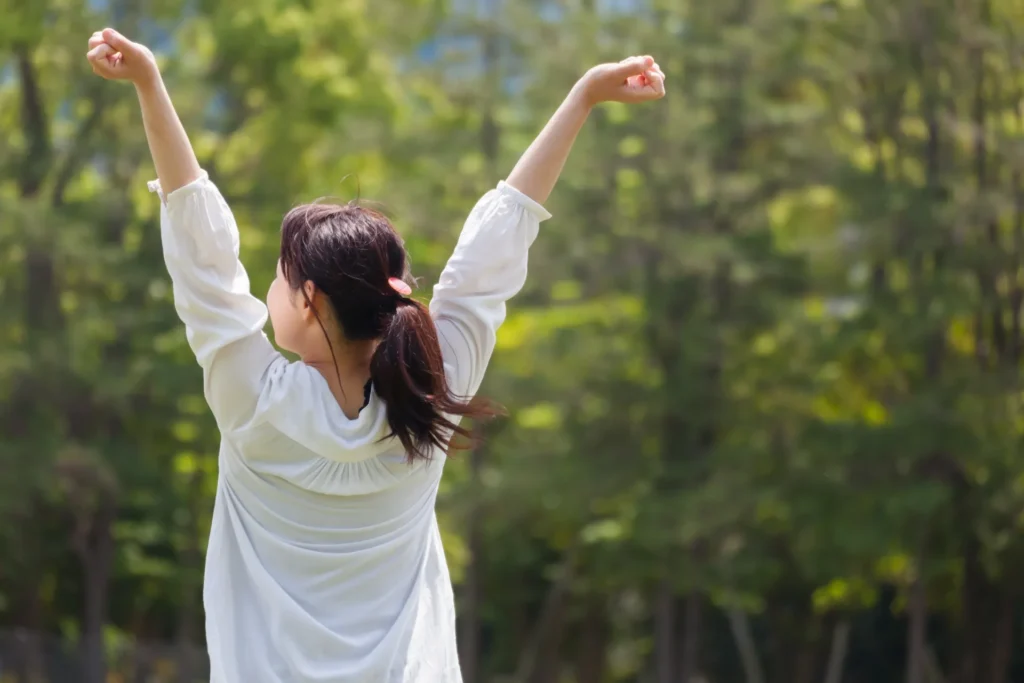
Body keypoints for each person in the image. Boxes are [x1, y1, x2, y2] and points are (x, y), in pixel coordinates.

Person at [86, 26, 665, 683]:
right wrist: (583, 97)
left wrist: (150, 84)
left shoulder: (253, 402)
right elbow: (497, 245)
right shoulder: (431, 389)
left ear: (307, 300)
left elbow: (200, 252)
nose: (264, 286)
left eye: (277, 276)